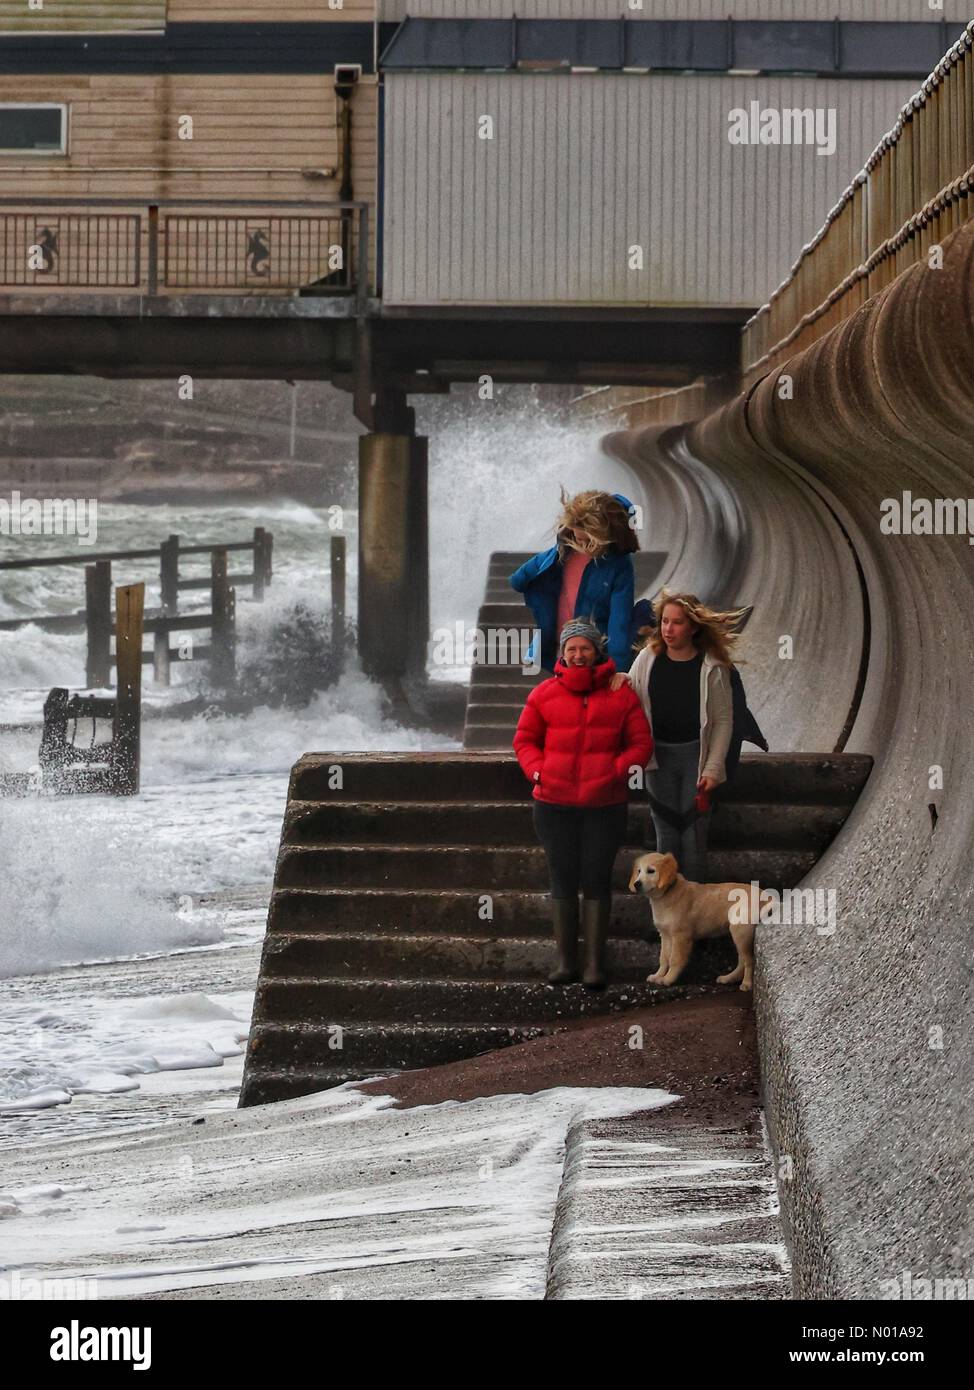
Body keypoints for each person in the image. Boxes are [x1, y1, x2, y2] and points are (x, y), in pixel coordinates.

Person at [513, 618, 653, 989]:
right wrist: (538, 773)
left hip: (604, 804)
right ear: (562, 654)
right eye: (571, 649)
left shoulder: (621, 694)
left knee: (596, 879)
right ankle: (565, 963)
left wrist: (614, 771)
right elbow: (524, 740)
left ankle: (593, 966)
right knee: (561, 878)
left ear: (596, 652)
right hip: (553, 803)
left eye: (584, 649)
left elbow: (641, 744)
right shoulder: (543, 694)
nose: (578, 655)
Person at [612, 590, 747, 882]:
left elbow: (724, 721)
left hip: (695, 756)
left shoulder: (712, 666)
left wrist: (713, 768)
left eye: (677, 623)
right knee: (665, 837)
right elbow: (630, 691)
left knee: (693, 836)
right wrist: (620, 678)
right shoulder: (648, 658)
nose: (668, 629)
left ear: (694, 627)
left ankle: (696, 912)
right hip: (657, 757)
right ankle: (668, 916)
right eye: (664, 622)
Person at [509, 490, 640, 675]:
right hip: (558, 647)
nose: (582, 545)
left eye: (588, 541)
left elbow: (619, 620)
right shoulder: (561, 551)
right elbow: (520, 578)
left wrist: (618, 669)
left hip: (592, 651)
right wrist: (522, 580)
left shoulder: (618, 565)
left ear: (602, 534)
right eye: (577, 538)